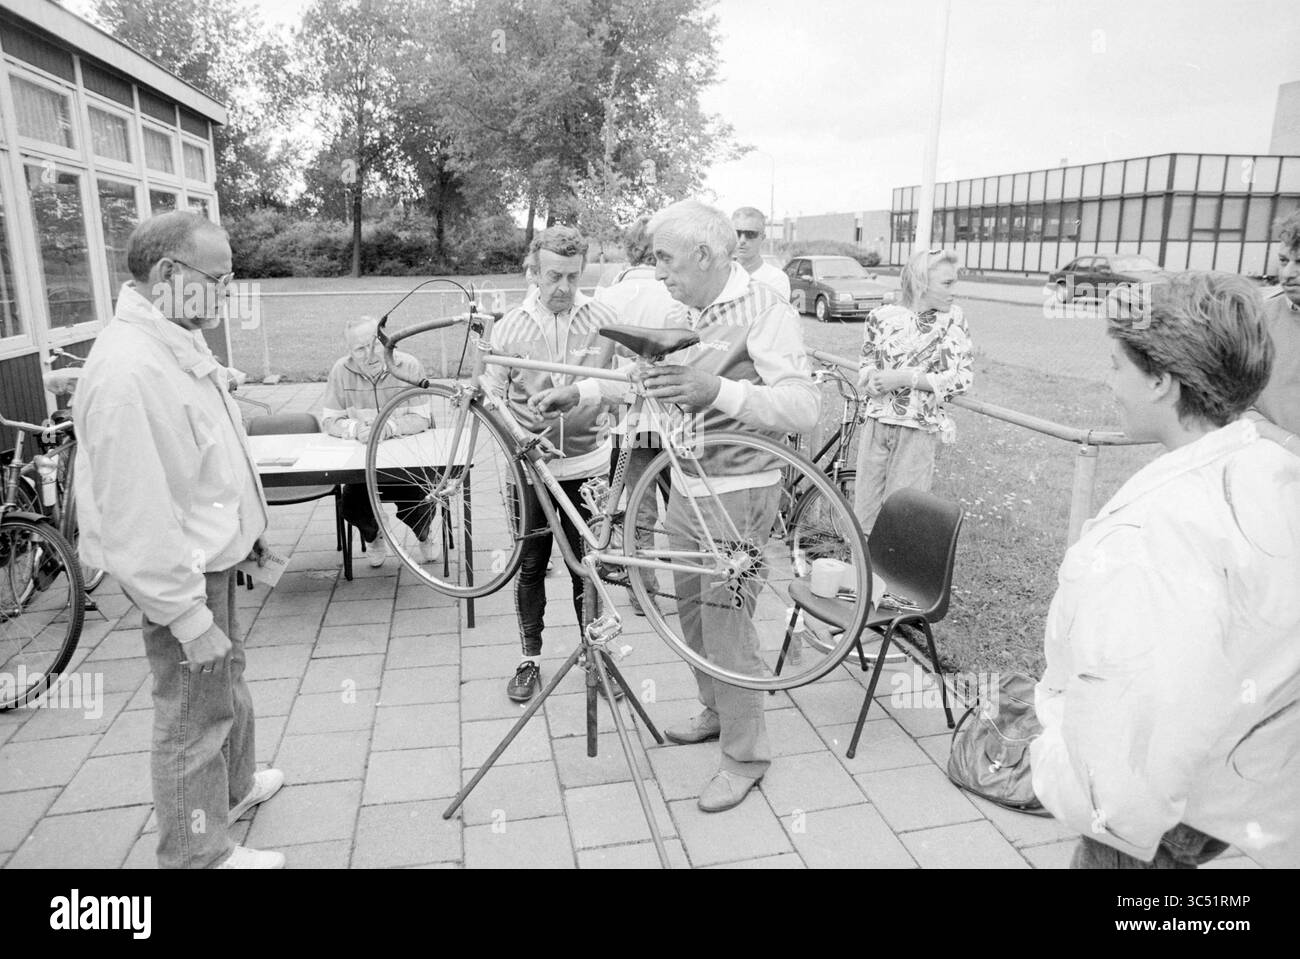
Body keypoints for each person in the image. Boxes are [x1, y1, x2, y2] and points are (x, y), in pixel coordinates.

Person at [1030, 272, 1300, 869]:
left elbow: (1126, 760)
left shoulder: (1153, 539)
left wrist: (1053, 765)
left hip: (1152, 835)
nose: (1109, 382)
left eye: (1116, 365)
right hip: (1233, 798)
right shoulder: (1272, 471)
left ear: (1161, 380)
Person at [74, 211, 284, 869]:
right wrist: (187, 618)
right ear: (168, 272)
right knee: (192, 717)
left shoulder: (171, 339)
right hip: (181, 578)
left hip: (210, 558)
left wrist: (246, 533)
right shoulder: (128, 372)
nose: (227, 292)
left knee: (227, 681)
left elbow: (199, 452)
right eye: (218, 278)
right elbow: (137, 520)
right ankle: (198, 854)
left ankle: (235, 789)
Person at [610, 199, 819, 812]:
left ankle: (745, 757)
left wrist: (718, 390)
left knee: (728, 627)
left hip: (741, 495)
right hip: (686, 487)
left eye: (665, 259)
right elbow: (650, 382)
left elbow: (803, 407)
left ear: (704, 255)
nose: (658, 273)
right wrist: (585, 390)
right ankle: (716, 710)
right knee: (695, 618)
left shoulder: (767, 311)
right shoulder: (685, 312)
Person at [483, 225, 620, 702]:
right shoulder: (509, 327)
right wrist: (520, 440)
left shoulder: (603, 318)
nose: (563, 287)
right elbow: (491, 396)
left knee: (590, 568)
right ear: (533, 272)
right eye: (553, 276)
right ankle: (530, 660)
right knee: (531, 566)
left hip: (589, 465)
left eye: (572, 277)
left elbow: (627, 379)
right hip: (530, 472)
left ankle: (595, 656)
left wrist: (606, 406)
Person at [591, 215, 687, 615]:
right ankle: (690, 589)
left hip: (633, 418)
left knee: (639, 508)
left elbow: (600, 365)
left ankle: (644, 592)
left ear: (628, 250)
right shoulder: (677, 292)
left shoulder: (610, 295)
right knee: (683, 506)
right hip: (676, 416)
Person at [853, 248, 973, 535]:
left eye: (954, 282)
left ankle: (891, 566)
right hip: (876, 426)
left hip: (916, 431)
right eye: (947, 283)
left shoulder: (952, 320)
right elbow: (866, 362)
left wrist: (903, 378)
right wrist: (870, 379)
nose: (954, 291)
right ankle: (861, 565)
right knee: (862, 520)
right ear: (921, 283)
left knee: (901, 522)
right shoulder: (880, 316)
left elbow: (960, 379)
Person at [320, 316, 435, 567]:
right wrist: (355, 428)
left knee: (421, 501)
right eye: (360, 349)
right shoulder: (340, 371)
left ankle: (424, 534)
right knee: (351, 504)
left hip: (406, 463)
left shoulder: (409, 365)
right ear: (350, 351)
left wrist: (388, 428)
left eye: (374, 344)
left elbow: (422, 418)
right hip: (362, 466)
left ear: (386, 340)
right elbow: (330, 420)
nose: (370, 354)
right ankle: (373, 535)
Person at [1247, 209, 1300, 452]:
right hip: (1270, 460)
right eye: (1283, 261)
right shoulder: (1256, 320)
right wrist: (1288, 442)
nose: (1287, 274)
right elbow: (1234, 401)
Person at [732, 207, 790, 301]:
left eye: (750, 234)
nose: (742, 240)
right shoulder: (720, 275)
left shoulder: (776, 279)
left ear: (762, 238)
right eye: (737, 233)